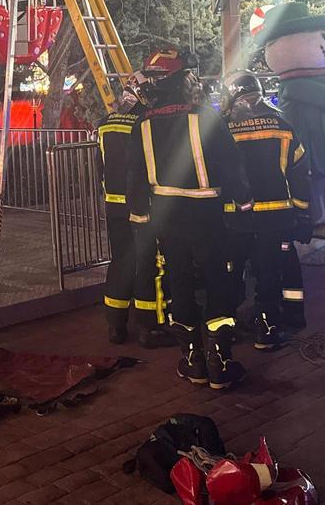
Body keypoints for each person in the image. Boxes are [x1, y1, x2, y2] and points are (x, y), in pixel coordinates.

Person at [127, 49, 253, 390]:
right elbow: (232, 166)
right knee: (217, 281)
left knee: (179, 283)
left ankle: (193, 359)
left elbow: (135, 176)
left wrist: (140, 217)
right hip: (207, 214)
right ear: (183, 81)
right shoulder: (205, 118)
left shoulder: (143, 124)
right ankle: (220, 362)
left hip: (167, 217)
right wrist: (244, 204)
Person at [220, 71, 312, 351]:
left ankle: (225, 329)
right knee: (269, 272)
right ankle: (267, 330)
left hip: (236, 217)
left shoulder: (224, 128)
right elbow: (299, 173)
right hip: (277, 216)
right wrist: (303, 213)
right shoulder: (282, 125)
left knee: (230, 273)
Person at [97, 78, 160, 345]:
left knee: (121, 260)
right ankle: (148, 328)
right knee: (147, 262)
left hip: (114, 204)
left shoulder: (105, 124)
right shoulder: (146, 122)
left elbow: (100, 167)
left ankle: (115, 325)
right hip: (142, 205)